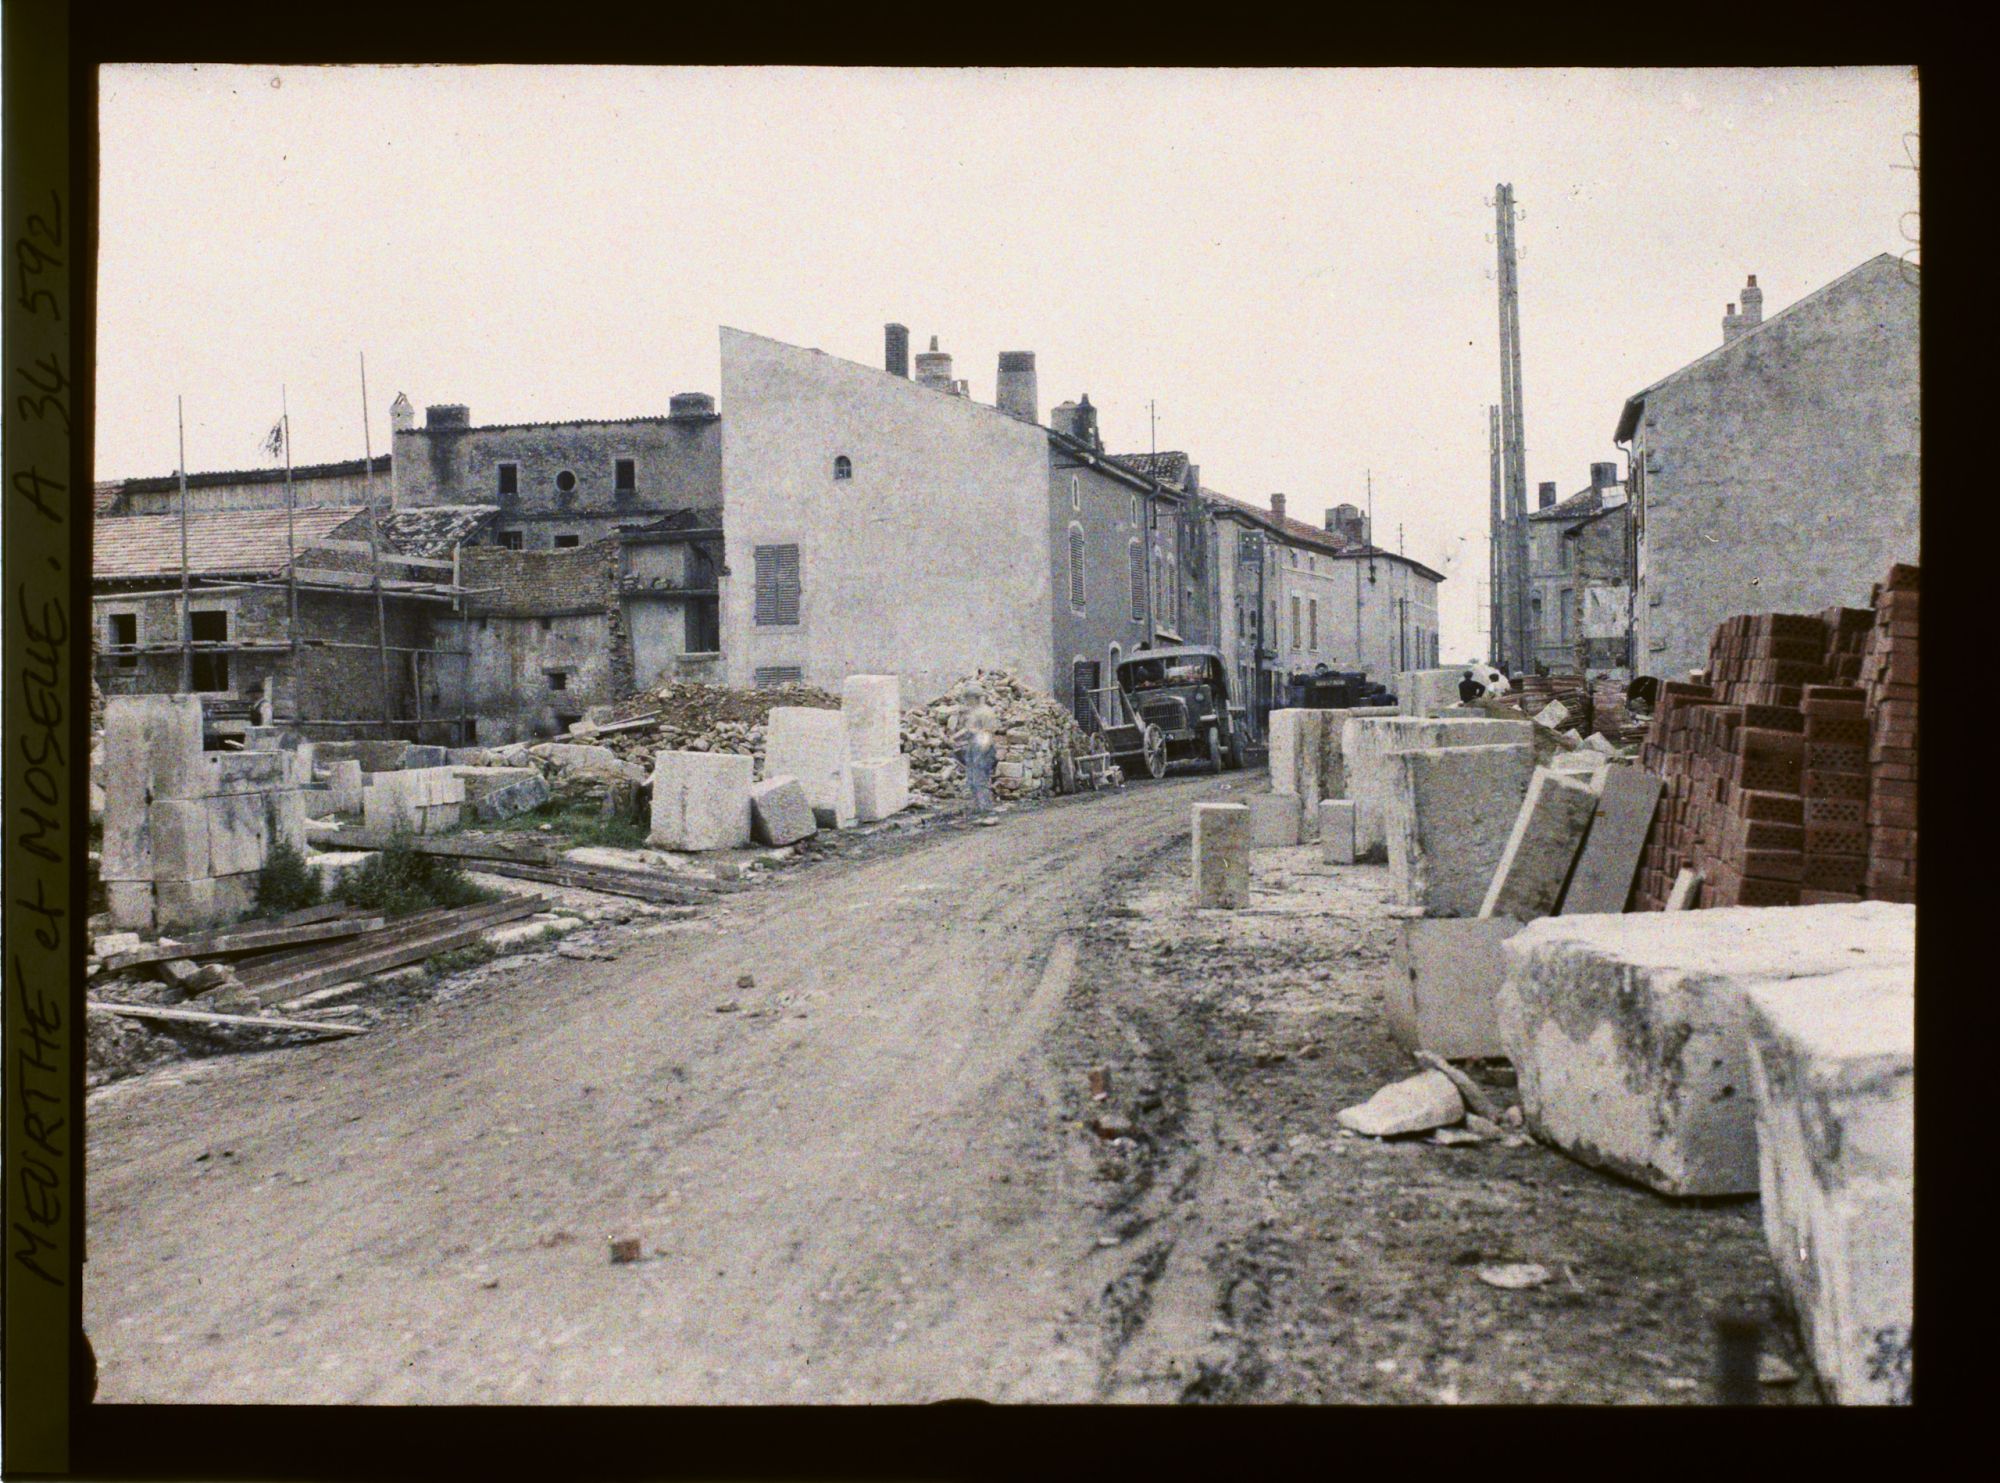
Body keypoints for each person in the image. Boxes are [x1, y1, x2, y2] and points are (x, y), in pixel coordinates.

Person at [951, 684, 1000, 815]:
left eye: (968, 698)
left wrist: (981, 754)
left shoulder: (986, 712)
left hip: (982, 747)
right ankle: (978, 807)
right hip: (973, 747)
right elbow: (969, 730)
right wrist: (954, 738)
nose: (967, 701)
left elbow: (987, 734)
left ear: (975, 698)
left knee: (980, 780)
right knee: (972, 780)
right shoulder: (974, 712)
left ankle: (987, 810)